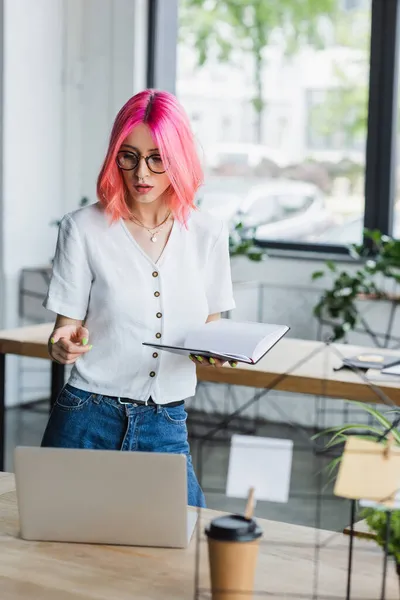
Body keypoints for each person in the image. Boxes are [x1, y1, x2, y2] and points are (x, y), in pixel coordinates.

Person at [41, 89, 236, 508]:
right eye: (128, 156)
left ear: (179, 159)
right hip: (86, 415)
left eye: (157, 158)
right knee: (61, 544)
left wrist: (214, 350)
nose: (140, 173)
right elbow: (65, 327)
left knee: (187, 542)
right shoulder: (83, 228)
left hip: (165, 418)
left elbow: (212, 326)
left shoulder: (208, 233)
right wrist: (63, 344)